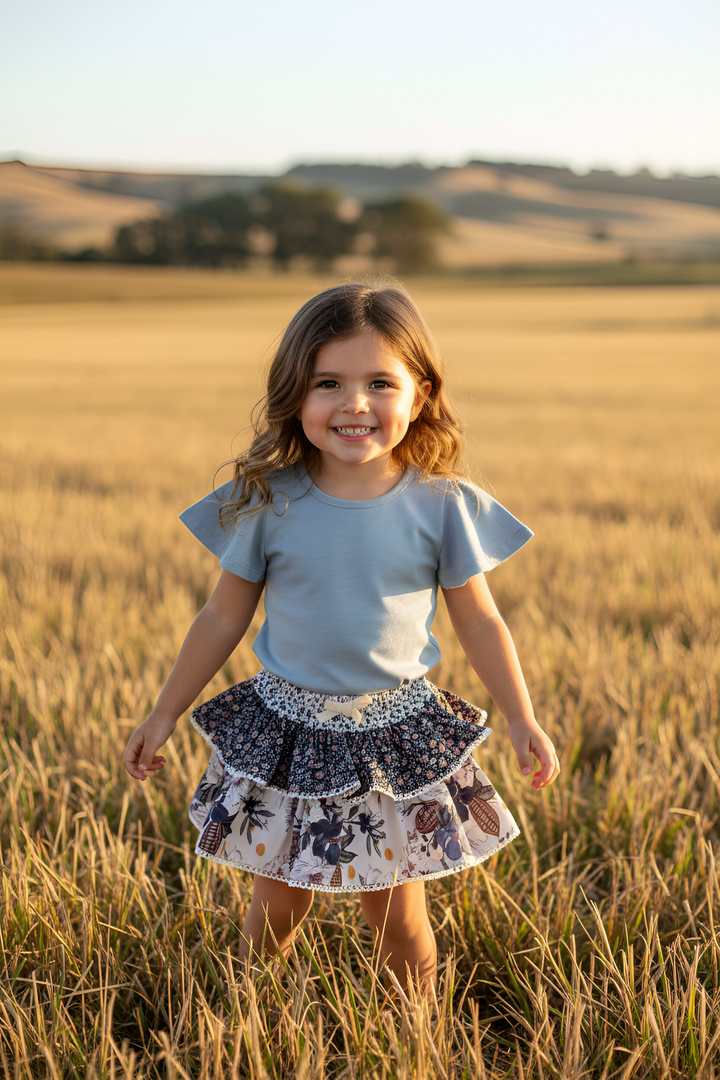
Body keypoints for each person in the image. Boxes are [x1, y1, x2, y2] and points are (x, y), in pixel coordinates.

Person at [122, 282, 560, 998]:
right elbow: (221, 618)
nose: (355, 404)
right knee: (275, 910)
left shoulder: (440, 504)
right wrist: (164, 712)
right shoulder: (268, 501)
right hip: (288, 733)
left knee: (398, 918)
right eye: (329, 383)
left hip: (390, 736)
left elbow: (479, 619)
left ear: (419, 392)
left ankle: (415, 1040)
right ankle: (246, 1024)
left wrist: (520, 715)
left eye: (379, 383)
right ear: (296, 394)